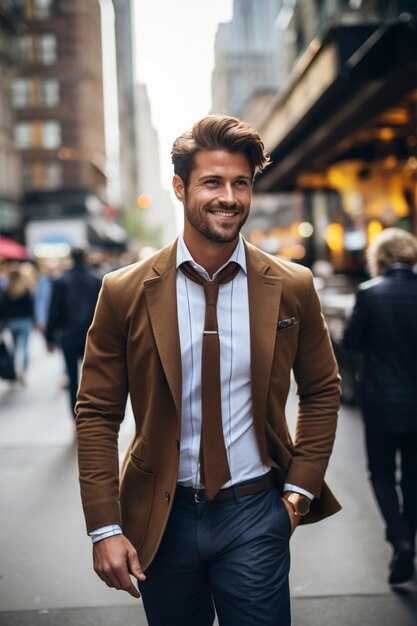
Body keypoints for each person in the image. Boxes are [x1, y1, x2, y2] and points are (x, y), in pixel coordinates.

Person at [76, 115, 341, 626]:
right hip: (162, 516)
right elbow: (97, 413)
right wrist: (104, 527)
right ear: (180, 188)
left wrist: (297, 496)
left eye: (241, 183)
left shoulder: (292, 284)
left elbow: (323, 389)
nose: (229, 197)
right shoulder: (124, 291)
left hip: (255, 512)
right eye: (212, 182)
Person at [343, 228, 417, 586]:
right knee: (414, 477)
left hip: (381, 403)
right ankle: (409, 539)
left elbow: (351, 342)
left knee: (382, 474)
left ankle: (399, 537)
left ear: (380, 258)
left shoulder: (369, 294)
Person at [46, 246, 102, 415]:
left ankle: (75, 416)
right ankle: (92, 415)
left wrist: (49, 337)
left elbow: (54, 310)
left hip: (69, 336)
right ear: (86, 257)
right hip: (92, 336)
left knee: (72, 379)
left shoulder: (61, 281)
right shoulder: (97, 279)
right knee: (93, 379)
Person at [0, 268, 34, 385]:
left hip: (12, 322)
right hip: (24, 321)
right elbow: (31, 307)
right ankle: (22, 372)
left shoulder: (6, 290)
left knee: (14, 347)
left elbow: (3, 308)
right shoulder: (25, 290)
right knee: (24, 347)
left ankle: (14, 371)